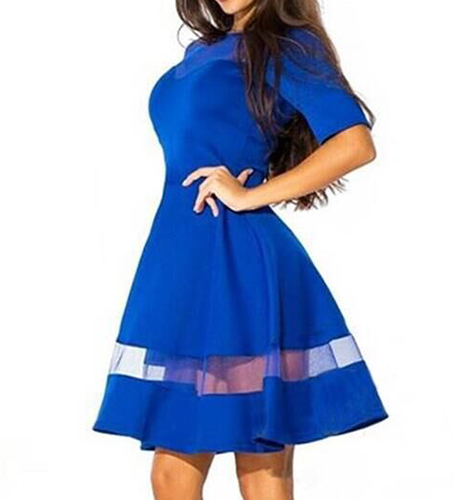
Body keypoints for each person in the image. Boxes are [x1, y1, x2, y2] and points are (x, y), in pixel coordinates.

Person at [92, 1, 389, 498]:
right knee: (173, 474)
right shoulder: (203, 52)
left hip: (236, 264)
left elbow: (355, 143)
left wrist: (252, 195)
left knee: (259, 469)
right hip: (181, 261)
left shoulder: (284, 47)